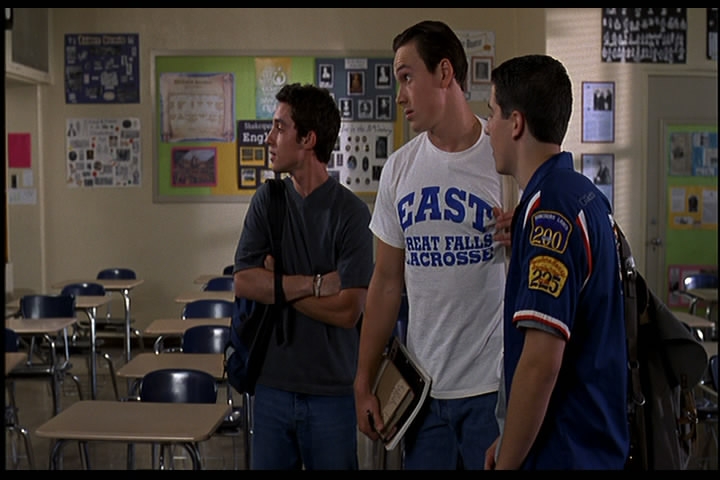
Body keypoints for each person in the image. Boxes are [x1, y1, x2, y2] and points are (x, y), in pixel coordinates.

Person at [353, 20, 508, 470]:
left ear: (444, 73)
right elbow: (385, 283)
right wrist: (363, 379)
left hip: (490, 388)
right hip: (422, 392)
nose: (400, 95)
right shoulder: (400, 169)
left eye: (407, 77)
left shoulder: (502, 159)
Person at [483, 54, 629, 469]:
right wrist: (511, 438)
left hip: (566, 450)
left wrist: (508, 461)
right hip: (584, 442)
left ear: (516, 123)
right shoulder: (580, 193)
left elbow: (540, 362)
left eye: (491, 113)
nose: (487, 127)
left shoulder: (552, 210)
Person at [232, 83, 374, 470]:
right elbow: (245, 282)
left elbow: (347, 311)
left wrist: (276, 284)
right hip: (272, 387)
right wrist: (315, 284)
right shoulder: (268, 201)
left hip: (332, 392)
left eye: (280, 127)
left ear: (308, 139)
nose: (269, 138)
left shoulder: (351, 213)